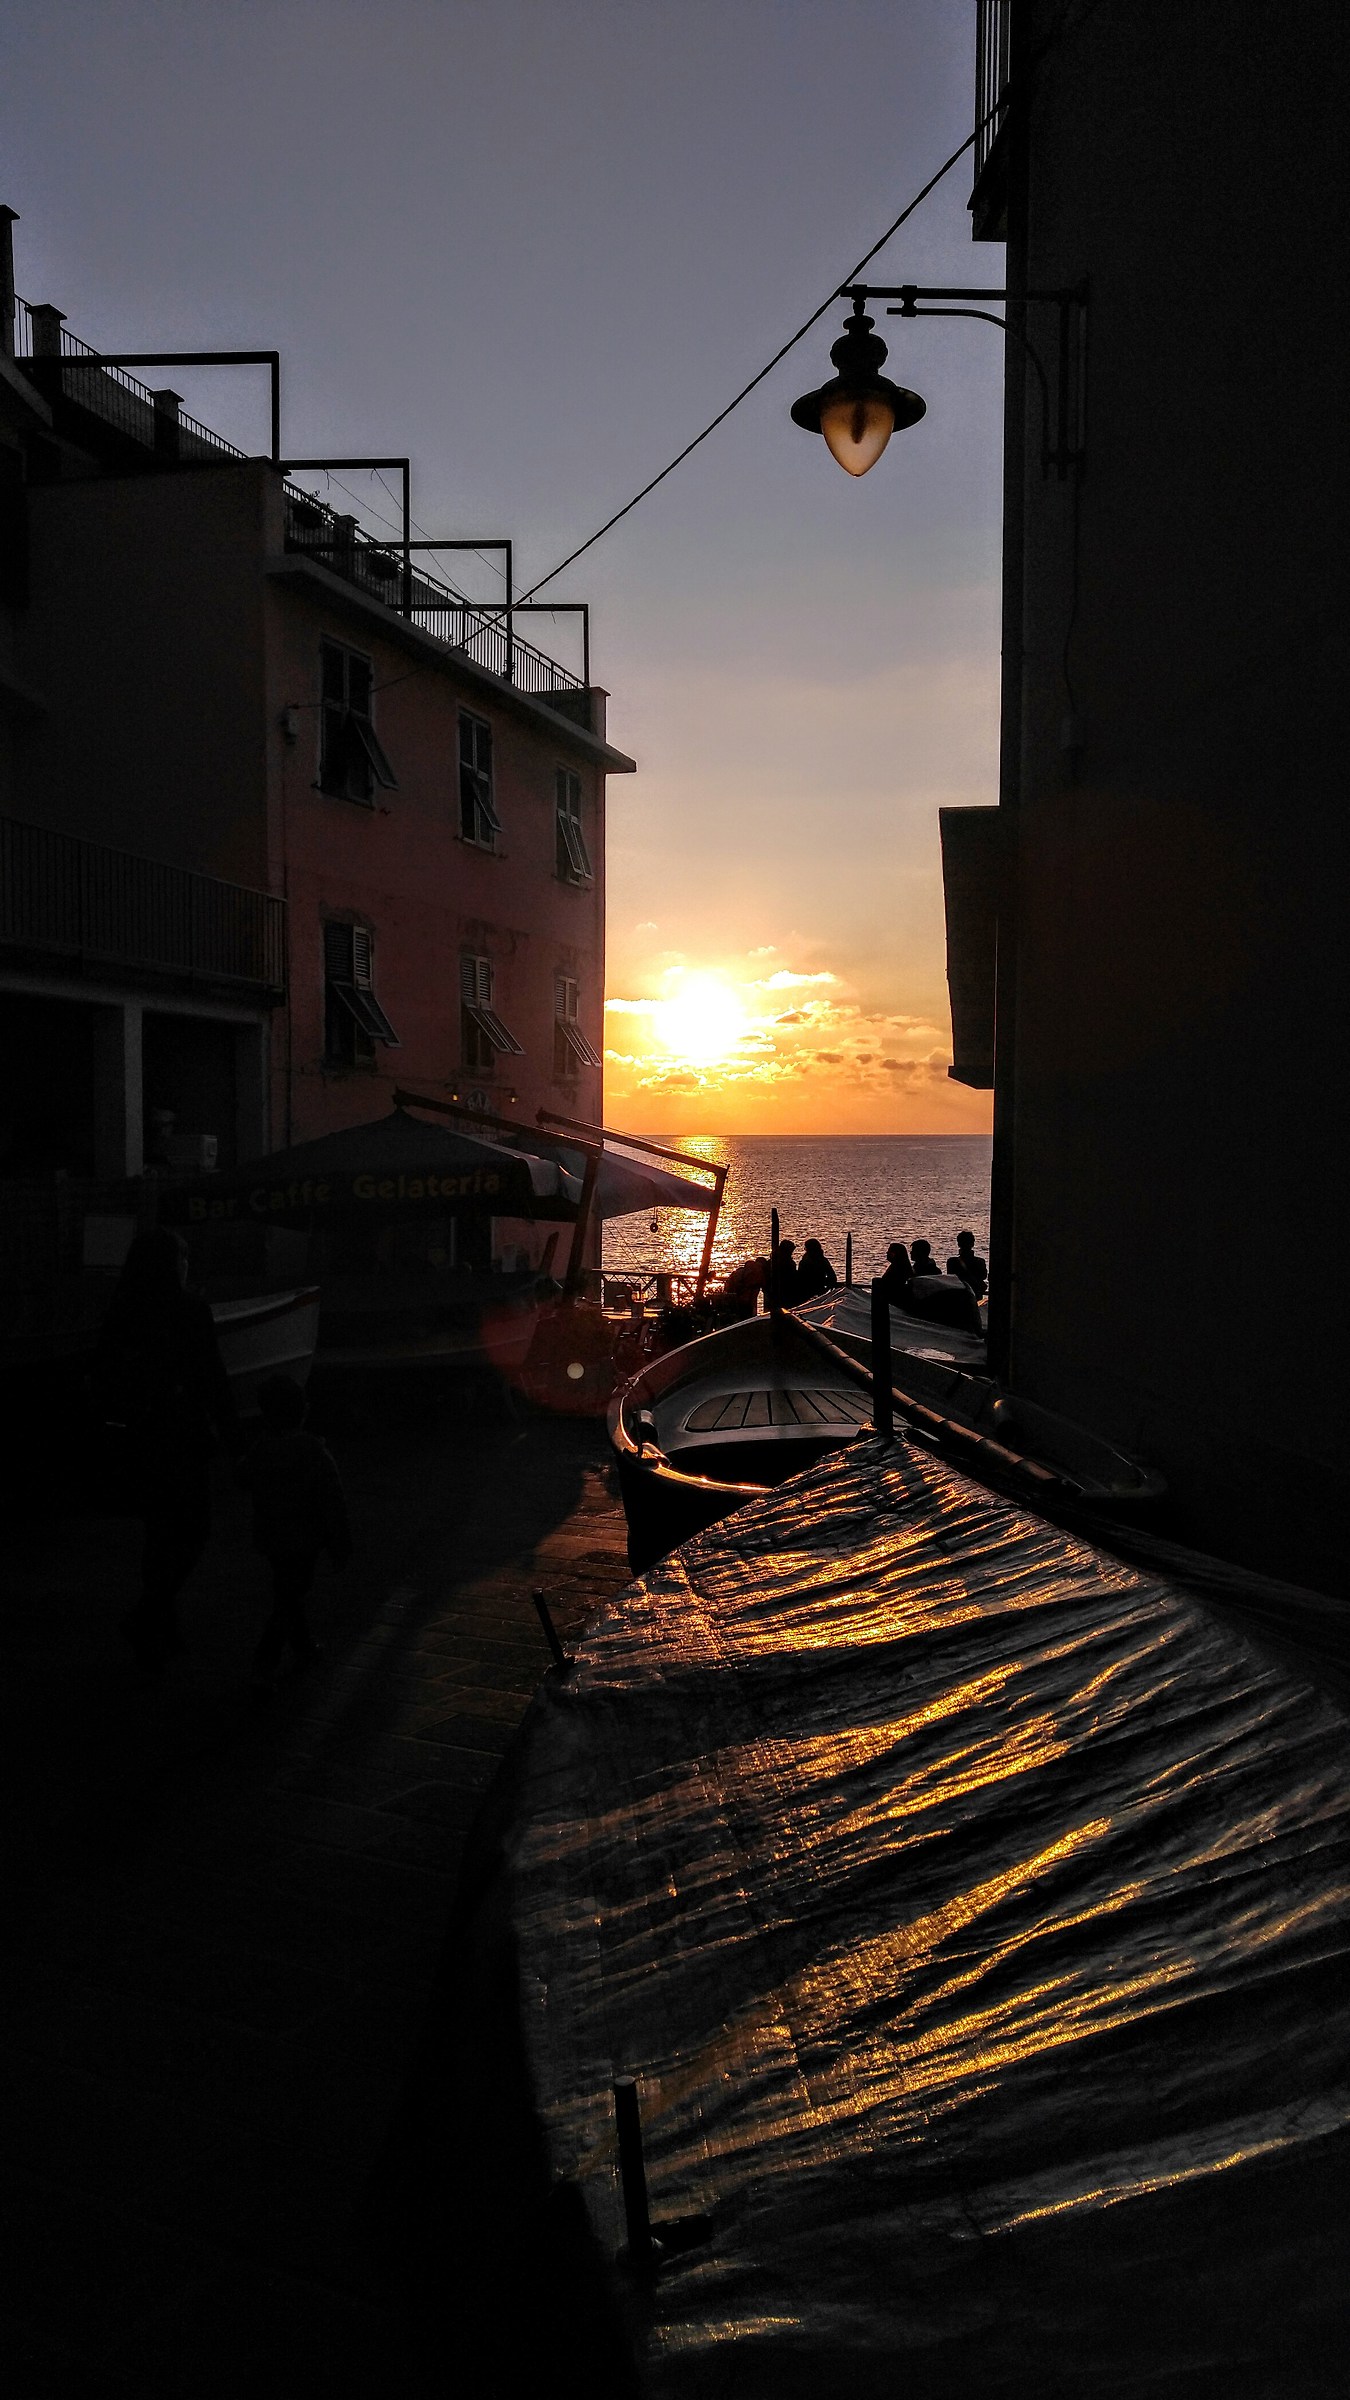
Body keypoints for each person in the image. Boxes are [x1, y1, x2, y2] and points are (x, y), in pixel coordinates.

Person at [94, 1225, 241, 1670]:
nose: (186, 1264)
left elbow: (107, 1377)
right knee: (194, 1531)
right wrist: (232, 1434)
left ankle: (161, 1626)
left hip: (141, 1438)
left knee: (160, 1533)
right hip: (183, 1437)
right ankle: (149, 1615)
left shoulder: (123, 1312)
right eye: (182, 1257)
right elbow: (213, 1378)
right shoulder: (190, 1311)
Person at [242, 1375, 351, 1686]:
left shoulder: (261, 1448)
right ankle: (266, 1658)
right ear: (302, 1410)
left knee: (287, 1592)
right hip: (305, 1539)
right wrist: (340, 1542)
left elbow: (243, 1477)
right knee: (290, 1597)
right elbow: (333, 1499)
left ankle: (303, 1648)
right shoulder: (312, 1451)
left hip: (271, 1537)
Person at [947, 1230, 988, 1301]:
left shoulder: (952, 1262)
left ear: (959, 1244)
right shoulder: (980, 1262)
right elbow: (983, 1276)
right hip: (975, 1296)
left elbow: (952, 1279)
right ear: (972, 1244)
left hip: (958, 1296)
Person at [768, 1238, 799, 1307]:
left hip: (781, 1291)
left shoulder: (774, 1260)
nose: (792, 1253)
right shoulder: (785, 1262)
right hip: (784, 1292)